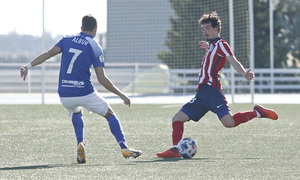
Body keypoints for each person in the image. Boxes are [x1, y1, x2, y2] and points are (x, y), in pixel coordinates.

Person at [20, 14, 142, 163]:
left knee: (77, 110)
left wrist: (28, 66)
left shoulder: (66, 39)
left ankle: (80, 143)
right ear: (96, 29)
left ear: (81, 27)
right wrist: (121, 95)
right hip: (85, 92)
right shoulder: (95, 46)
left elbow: (48, 54)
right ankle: (124, 148)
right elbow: (102, 79)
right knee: (110, 114)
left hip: (64, 95)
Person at [156, 12, 278, 158]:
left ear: (216, 28)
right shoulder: (213, 45)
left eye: (207, 28)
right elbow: (214, 54)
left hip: (213, 92)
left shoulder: (221, 44)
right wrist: (209, 47)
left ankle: (258, 112)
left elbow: (232, 60)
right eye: (203, 29)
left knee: (229, 123)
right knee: (177, 118)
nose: (205, 31)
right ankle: (175, 149)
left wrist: (244, 74)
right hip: (201, 94)